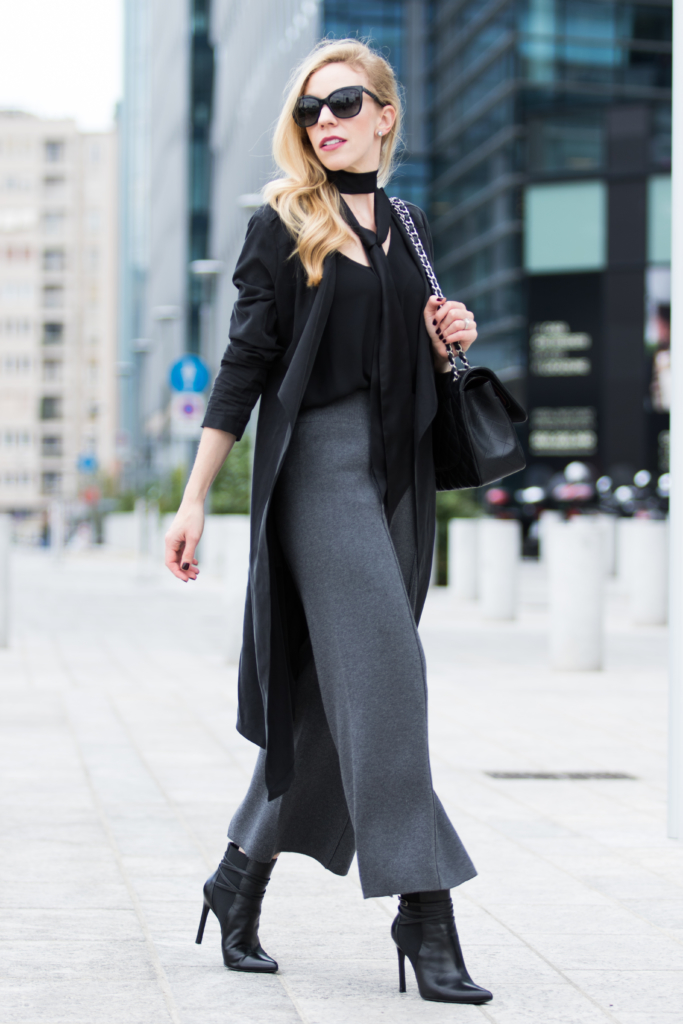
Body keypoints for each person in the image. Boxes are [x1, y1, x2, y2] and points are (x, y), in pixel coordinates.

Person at [164, 38, 491, 1005]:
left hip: (397, 477)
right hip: (318, 475)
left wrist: (450, 338)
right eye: (312, 110)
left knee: (330, 697)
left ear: (387, 113)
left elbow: (408, 357)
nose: (328, 121)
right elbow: (243, 368)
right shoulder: (283, 222)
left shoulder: (408, 226)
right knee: (390, 680)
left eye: (346, 102)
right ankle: (423, 910)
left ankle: (236, 880)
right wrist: (193, 500)